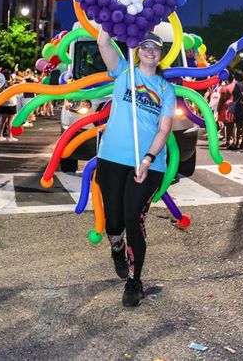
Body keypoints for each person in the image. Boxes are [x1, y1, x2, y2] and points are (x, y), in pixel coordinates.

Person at [95, 29, 176, 307]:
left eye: (155, 47)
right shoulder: (123, 72)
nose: (150, 51)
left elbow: (164, 129)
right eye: (145, 46)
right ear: (137, 49)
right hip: (112, 158)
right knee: (114, 219)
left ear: (161, 53)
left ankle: (134, 281)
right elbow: (103, 42)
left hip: (148, 164)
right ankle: (116, 246)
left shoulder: (167, 89)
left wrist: (148, 158)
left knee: (133, 218)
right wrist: (112, 19)